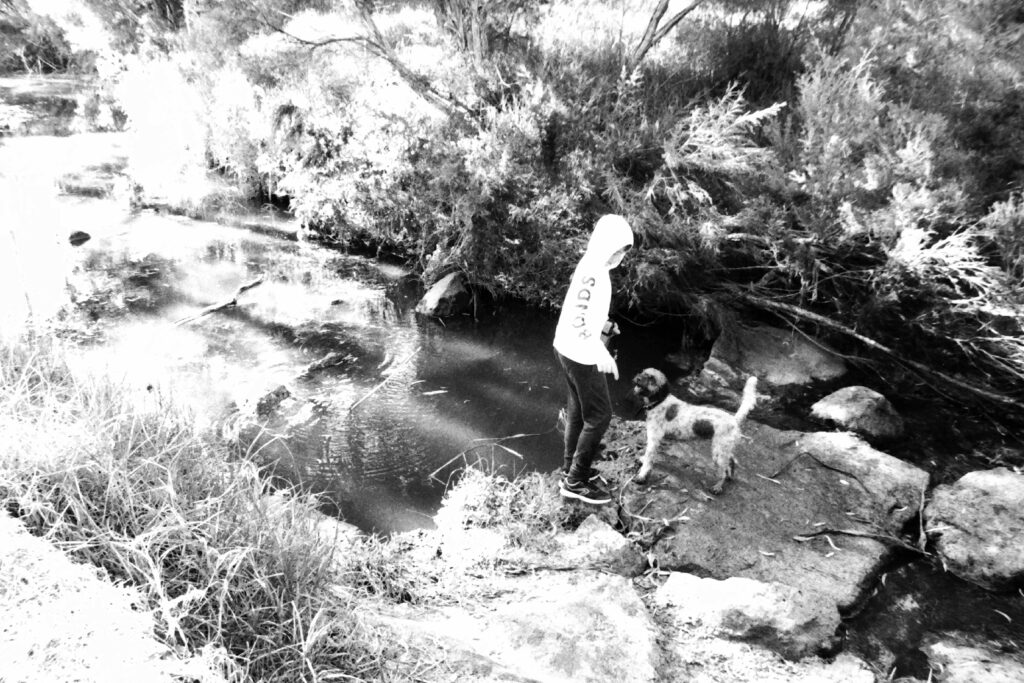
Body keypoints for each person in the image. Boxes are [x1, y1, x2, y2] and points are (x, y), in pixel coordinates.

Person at [552, 214, 633, 504]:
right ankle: (575, 482)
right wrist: (600, 351)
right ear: (607, 244)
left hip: (567, 346)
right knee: (600, 416)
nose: (622, 256)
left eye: (625, 250)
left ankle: (568, 471)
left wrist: (604, 326)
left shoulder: (592, 264)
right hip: (579, 352)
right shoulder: (593, 272)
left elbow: (584, 311)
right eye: (620, 249)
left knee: (577, 412)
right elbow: (577, 319)